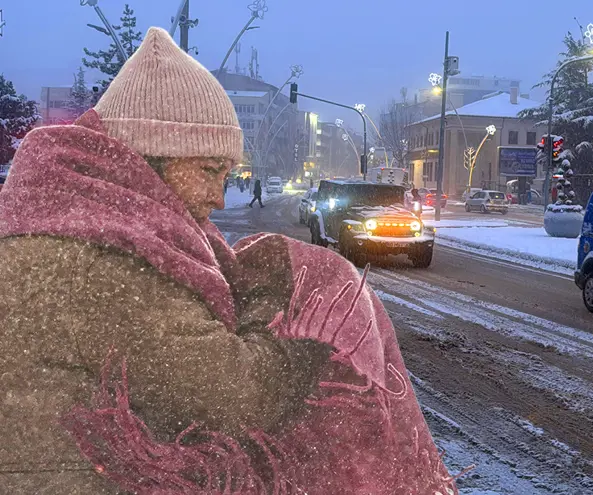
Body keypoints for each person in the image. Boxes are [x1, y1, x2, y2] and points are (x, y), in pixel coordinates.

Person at [0, 27, 454, 495]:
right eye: (208, 170)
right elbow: (234, 397)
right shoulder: (105, 256)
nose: (218, 197)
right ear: (148, 158)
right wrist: (298, 330)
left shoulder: (73, 222)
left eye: (227, 174)